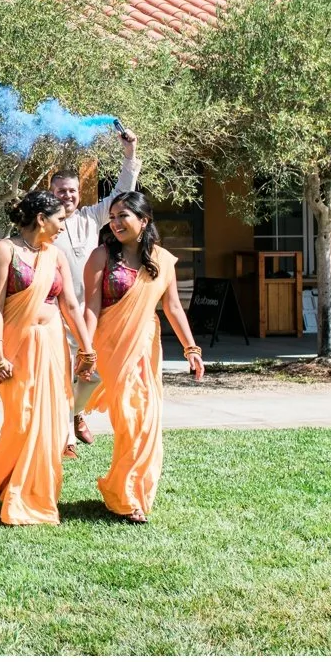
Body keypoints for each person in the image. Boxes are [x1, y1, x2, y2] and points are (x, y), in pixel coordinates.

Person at [0, 189, 96, 527]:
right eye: (59, 219)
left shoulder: (55, 255)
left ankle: (27, 494)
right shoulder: (3, 250)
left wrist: (87, 347)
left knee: (51, 422)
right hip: (16, 346)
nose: (62, 225)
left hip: (53, 345)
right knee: (22, 420)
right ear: (41, 219)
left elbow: (70, 305)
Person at [83, 192, 204, 522]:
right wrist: (86, 349)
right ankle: (124, 492)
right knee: (129, 419)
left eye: (124, 215)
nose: (116, 222)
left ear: (144, 220)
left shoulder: (162, 260)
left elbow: (173, 307)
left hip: (145, 347)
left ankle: (128, 495)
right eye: (113, 216)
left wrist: (191, 348)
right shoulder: (100, 257)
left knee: (146, 421)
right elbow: (91, 308)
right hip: (110, 348)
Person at [50, 127, 140, 443]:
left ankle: (76, 412)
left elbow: (121, 193)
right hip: (57, 312)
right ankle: (65, 437)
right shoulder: (43, 224)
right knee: (61, 372)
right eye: (61, 191)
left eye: (72, 190)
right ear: (52, 193)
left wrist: (129, 155)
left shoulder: (91, 216)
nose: (68, 196)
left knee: (94, 371)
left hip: (92, 310)